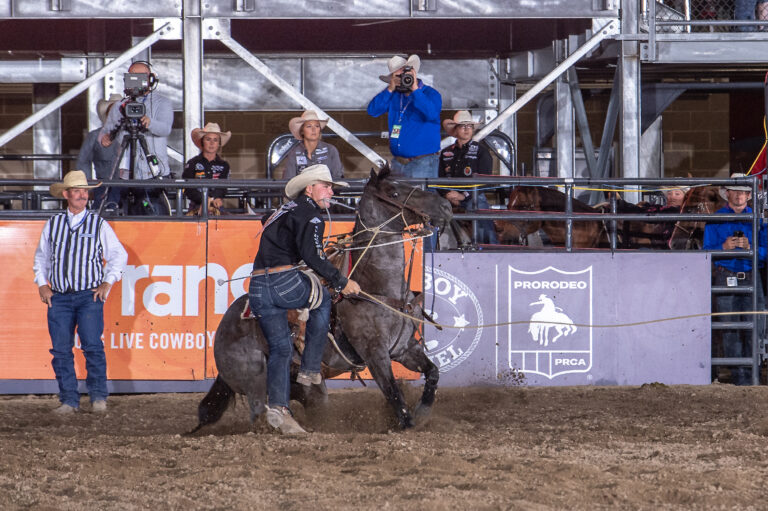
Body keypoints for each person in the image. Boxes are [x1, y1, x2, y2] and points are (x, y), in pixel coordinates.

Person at [249, 164, 361, 434]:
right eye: (326, 186)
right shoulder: (312, 217)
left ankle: (279, 409)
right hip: (282, 282)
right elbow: (313, 257)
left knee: (281, 350)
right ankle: (311, 368)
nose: (331, 192)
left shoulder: (283, 210)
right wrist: (342, 282)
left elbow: (267, 222)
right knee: (322, 298)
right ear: (309, 188)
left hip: (257, 287)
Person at [33, 171, 128, 414]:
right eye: (78, 191)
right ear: (67, 194)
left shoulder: (98, 224)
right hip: (60, 295)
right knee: (61, 350)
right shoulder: (53, 224)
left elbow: (118, 254)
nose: (83, 195)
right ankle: (69, 400)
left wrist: (108, 281)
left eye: (85, 191)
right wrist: (42, 283)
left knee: (92, 346)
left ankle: (98, 397)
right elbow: (42, 257)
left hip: (88, 295)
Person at [703, 173, 767, 385]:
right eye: (736, 191)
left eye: (744, 192)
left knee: (754, 328)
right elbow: (706, 252)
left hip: (749, 274)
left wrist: (752, 248)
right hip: (727, 275)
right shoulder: (716, 219)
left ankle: (751, 377)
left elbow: (766, 252)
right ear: (727, 193)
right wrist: (723, 248)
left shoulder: (761, 220)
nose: (740, 195)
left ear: (749, 196)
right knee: (730, 329)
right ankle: (741, 378)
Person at [99, 61, 173, 215]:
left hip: (153, 174)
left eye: (141, 76)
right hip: (125, 175)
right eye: (133, 76)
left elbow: (165, 129)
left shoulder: (163, 103)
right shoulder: (120, 106)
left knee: (156, 217)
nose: (137, 80)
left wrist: (149, 122)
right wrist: (104, 138)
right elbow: (105, 131)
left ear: (151, 79)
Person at [367, 54, 442, 178]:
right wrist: (390, 89)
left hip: (422, 162)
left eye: (404, 75)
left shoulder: (431, 94)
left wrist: (415, 90)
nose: (403, 79)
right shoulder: (394, 95)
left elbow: (431, 114)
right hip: (398, 162)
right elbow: (373, 111)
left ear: (413, 73)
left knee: (421, 197)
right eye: (398, 76)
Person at [438, 110, 498, 245]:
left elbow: (485, 182)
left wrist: (463, 196)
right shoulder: (446, 152)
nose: (466, 129)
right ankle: (434, 247)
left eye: (469, 126)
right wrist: (448, 194)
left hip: (473, 196)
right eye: (462, 126)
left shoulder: (481, 152)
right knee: (432, 212)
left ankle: (491, 248)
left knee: (482, 215)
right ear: (456, 130)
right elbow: (439, 178)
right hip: (449, 198)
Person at [75, 94, 122, 209]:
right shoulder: (94, 136)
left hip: (132, 186)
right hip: (105, 186)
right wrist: (87, 186)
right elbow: (83, 161)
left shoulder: (133, 136)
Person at [182, 122, 231, 215]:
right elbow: (187, 188)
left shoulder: (224, 165)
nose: (212, 143)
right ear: (202, 142)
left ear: (218, 144)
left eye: (215, 140)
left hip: (216, 206)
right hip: (196, 206)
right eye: (208, 139)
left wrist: (215, 198)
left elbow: (223, 186)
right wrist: (204, 199)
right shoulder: (192, 163)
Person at [283, 110, 343, 180]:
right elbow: (288, 180)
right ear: (302, 131)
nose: (313, 129)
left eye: (317, 126)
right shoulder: (294, 153)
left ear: (319, 129)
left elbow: (338, 177)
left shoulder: (331, 150)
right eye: (309, 126)